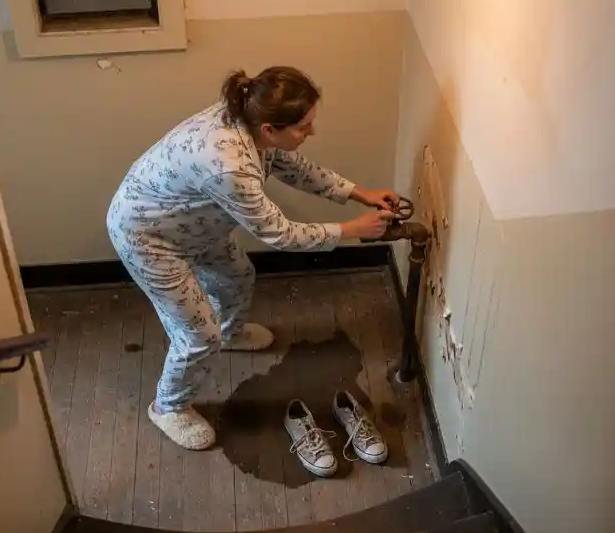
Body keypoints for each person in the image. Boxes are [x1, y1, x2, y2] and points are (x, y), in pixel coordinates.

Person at [106, 66, 399, 450]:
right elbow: (280, 233)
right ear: (270, 131)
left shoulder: (249, 116)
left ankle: (228, 334)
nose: (311, 132)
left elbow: (293, 166)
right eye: (304, 126)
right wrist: (352, 230)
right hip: (148, 237)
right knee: (197, 335)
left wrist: (358, 193)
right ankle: (168, 407)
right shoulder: (229, 164)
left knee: (237, 276)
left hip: (194, 223)